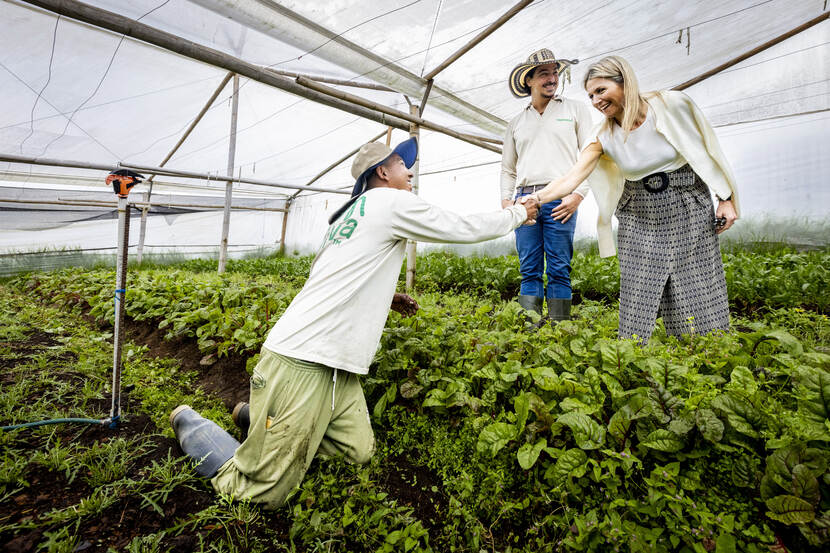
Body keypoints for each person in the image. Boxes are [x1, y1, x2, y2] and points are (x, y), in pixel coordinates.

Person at [169, 137, 539, 508]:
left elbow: (328, 271)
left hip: (336, 366)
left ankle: (260, 420)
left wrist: (385, 295)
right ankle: (191, 422)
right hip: (304, 360)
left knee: (356, 452)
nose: (409, 172)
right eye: (401, 165)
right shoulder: (390, 201)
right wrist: (519, 213)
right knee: (261, 494)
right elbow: (464, 228)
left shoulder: (349, 213)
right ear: (382, 172)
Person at [528, 55, 739, 343]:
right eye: (590, 95)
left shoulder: (671, 105)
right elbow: (570, 178)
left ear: (624, 82)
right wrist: (533, 200)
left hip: (687, 200)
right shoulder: (602, 135)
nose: (595, 101)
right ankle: (631, 350)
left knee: (695, 280)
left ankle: (707, 345)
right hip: (640, 212)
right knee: (639, 284)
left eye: (601, 91)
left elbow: (707, 149)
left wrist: (725, 197)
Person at [501, 48, 594, 322]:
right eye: (544, 74)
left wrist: (578, 194)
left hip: (561, 199)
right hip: (524, 201)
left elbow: (590, 155)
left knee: (559, 268)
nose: (552, 78)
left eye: (555, 72)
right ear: (528, 80)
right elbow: (508, 168)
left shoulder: (575, 109)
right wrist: (507, 202)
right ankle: (530, 330)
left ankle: (558, 328)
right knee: (529, 269)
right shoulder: (516, 123)